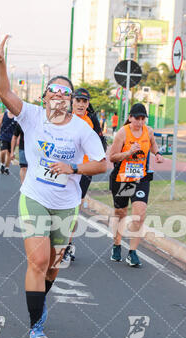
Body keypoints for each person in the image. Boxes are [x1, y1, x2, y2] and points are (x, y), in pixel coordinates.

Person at [0, 33, 107, 338]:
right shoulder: (31, 116)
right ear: (45, 97)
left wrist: (74, 168)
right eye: (53, 91)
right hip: (35, 197)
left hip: (66, 202)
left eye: (65, 93)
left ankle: (40, 301)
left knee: (54, 266)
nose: (58, 96)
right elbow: (4, 91)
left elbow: (102, 163)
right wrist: (1, 62)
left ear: (70, 100)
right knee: (39, 261)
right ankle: (35, 325)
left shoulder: (82, 128)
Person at [108, 103, 163, 267]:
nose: (140, 122)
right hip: (124, 179)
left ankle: (132, 252)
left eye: (142, 118)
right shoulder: (122, 133)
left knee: (139, 215)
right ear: (130, 117)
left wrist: (157, 153)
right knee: (121, 212)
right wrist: (129, 152)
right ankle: (117, 244)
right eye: (137, 118)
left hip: (141, 179)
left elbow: (152, 143)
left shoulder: (149, 131)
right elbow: (112, 157)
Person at [60, 88, 107, 267]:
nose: (81, 104)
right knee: (57, 205)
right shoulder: (64, 116)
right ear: (72, 101)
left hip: (84, 169)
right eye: (78, 100)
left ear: (88, 104)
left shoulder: (92, 120)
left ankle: (67, 246)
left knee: (73, 209)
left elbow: (101, 145)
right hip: (64, 168)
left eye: (84, 101)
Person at [0, 109, 19, 175]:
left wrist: (18, 139)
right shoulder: (3, 114)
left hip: (13, 138)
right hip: (4, 136)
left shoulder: (16, 116)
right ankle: (2, 164)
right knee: (3, 151)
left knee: (9, 153)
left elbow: (19, 128)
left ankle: (7, 168)